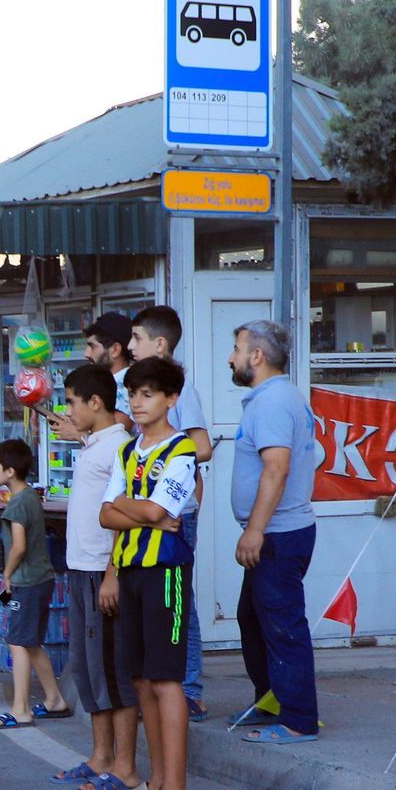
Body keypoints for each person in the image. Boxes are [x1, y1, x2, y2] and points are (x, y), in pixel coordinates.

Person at [99, 357, 200, 790]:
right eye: (133, 395)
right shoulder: (128, 451)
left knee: (166, 679)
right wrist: (134, 507)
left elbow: (163, 512)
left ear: (171, 399)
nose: (137, 404)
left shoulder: (182, 451)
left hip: (165, 571)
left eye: (148, 395)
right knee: (141, 680)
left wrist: (131, 506)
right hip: (132, 571)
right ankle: (157, 784)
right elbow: (109, 515)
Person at [228, 319, 320, 744]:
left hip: (278, 535)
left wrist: (256, 531)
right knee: (253, 618)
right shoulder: (278, 398)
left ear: (257, 356)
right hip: (277, 532)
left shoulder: (273, 402)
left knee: (282, 625)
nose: (232, 357)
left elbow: (276, 468)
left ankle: (298, 720)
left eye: (237, 349)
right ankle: (271, 701)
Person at [52, 363, 141, 790]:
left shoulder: (121, 447)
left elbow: (125, 517)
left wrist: (112, 574)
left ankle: (125, 767)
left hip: (103, 572)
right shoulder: (98, 443)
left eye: (71, 401)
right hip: (80, 568)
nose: (67, 410)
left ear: (95, 402)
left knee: (113, 670)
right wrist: (78, 435)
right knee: (89, 671)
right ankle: (100, 756)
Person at [129, 305, 213, 722]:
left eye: (137, 339)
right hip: (145, 514)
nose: (130, 347)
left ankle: (190, 691)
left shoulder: (181, 392)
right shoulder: (142, 395)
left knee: (182, 603)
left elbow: (202, 445)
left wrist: (166, 466)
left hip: (175, 513)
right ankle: (164, 692)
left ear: (159, 345)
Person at [0, 439, 68, 728]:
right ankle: (54, 698)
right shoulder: (32, 497)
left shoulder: (17, 505)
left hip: (26, 581)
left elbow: (18, 546)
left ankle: (20, 708)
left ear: (9, 471)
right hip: (42, 579)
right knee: (32, 643)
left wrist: (6, 573)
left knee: (17, 642)